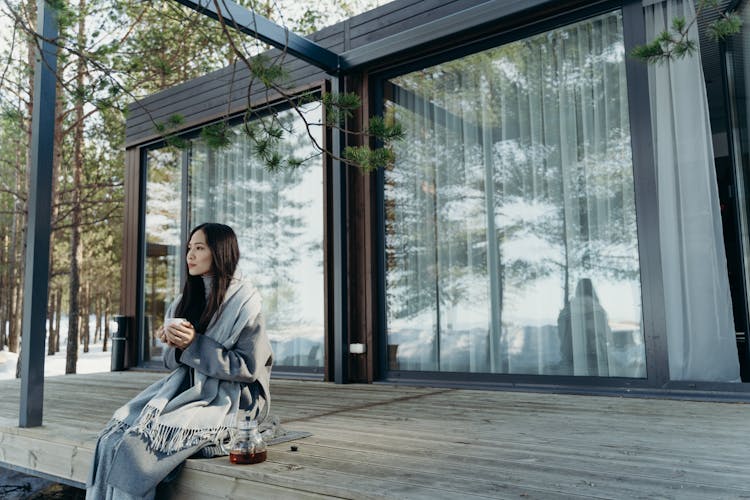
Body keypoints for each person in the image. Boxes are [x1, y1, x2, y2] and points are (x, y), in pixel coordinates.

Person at [86, 223, 273, 499]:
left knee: (136, 448)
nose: (190, 256)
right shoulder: (184, 301)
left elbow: (247, 368)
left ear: (221, 253)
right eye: (189, 248)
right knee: (111, 438)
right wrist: (173, 345)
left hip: (234, 398)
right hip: (184, 392)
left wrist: (193, 344)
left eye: (199, 248)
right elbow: (172, 365)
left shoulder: (245, 304)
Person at [556, 278, 610, 376]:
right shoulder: (598, 309)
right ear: (592, 290)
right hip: (594, 359)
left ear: (577, 289)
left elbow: (561, 333)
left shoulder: (567, 309)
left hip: (570, 358)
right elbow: (606, 335)